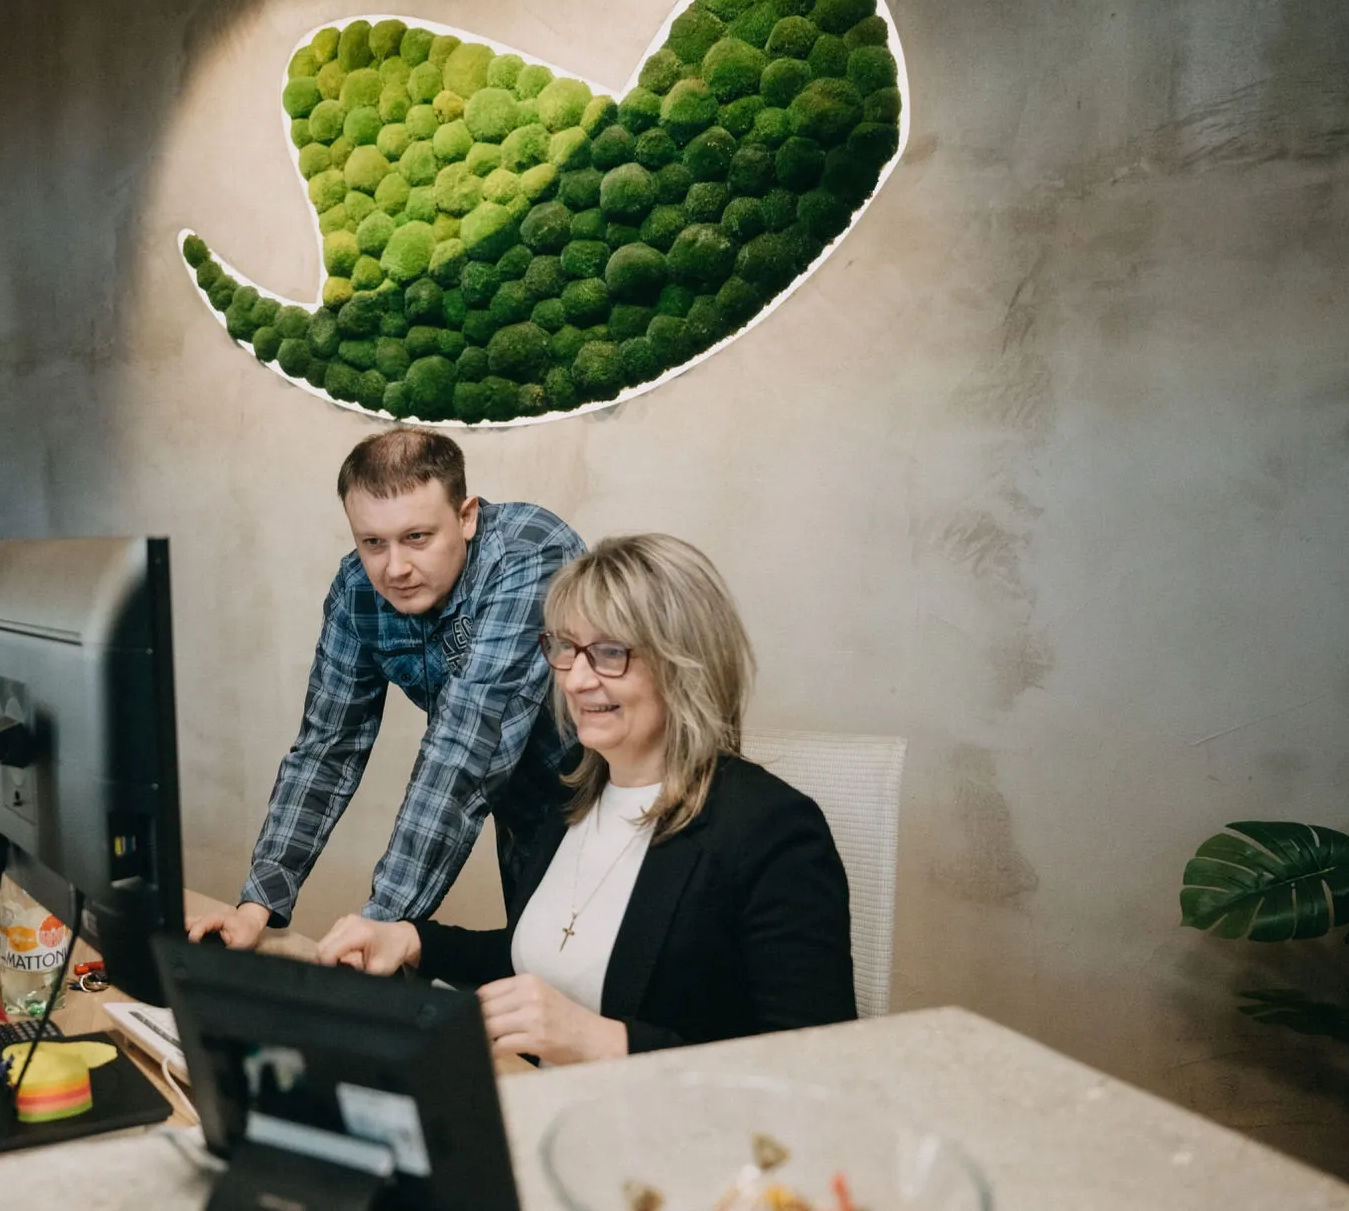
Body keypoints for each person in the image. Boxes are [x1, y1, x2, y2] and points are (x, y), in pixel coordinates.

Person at [317, 534, 856, 1065]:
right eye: (565, 648)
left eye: (608, 653)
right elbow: (547, 954)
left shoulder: (771, 829)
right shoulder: (568, 799)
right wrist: (412, 940)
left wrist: (599, 1041)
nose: (575, 679)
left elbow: (814, 1064)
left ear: (685, 664)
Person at [187, 429, 585, 949]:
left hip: (622, 802)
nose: (393, 568)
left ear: (466, 517)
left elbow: (465, 748)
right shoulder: (358, 589)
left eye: (417, 537)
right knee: (538, 975)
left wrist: (377, 926)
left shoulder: (531, 553)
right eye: (372, 542)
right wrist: (257, 905)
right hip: (522, 813)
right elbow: (327, 748)